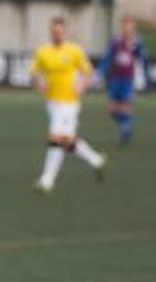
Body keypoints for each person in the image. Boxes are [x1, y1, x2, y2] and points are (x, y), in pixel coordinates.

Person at [31, 16, 107, 194]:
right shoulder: (43, 52)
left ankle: (47, 181)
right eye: (54, 30)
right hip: (52, 102)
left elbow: (88, 71)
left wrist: (82, 86)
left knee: (55, 138)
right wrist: (40, 86)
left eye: (60, 30)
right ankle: (95, 159)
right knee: (66, 140)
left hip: (70, 103)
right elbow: (34, 73)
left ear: (64, 32)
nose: (57, 33)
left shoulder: (74, 51)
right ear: (51, 32)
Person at [99, 15, 148, 144]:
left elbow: (142, 58)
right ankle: (126, 123)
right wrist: (100, 72)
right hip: (116, 79)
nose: (128, 30)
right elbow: (108, 58)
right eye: (126, 26)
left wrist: (137, 50)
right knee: (111, 110)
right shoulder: (116, 41)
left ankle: (126, 129)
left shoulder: (138, 42)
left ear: (134, 28)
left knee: (126, 106)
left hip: (129, 79)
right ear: (122, 27)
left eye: (130, 27)